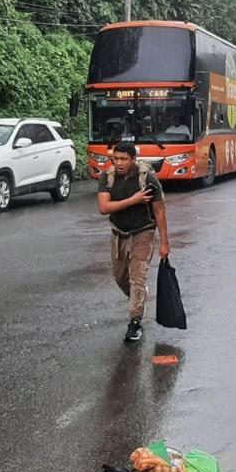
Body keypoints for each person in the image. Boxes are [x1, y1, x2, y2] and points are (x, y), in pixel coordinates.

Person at [97, 142, 170, 342]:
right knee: (120, 277)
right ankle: (139, 296)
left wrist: (164, 242)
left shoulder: (147, 179)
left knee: (137, 278)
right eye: (115, 158)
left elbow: (159, 211)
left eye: (123, 159)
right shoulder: (108, 177)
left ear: (133, 159)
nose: (119, 163)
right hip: (119, 233)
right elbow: (104, 207)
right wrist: (134, 200)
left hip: (143, 233)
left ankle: (135, 322)